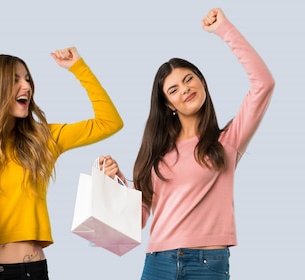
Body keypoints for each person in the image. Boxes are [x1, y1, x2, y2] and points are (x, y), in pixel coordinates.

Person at [0, 47, 124, 279]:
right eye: (15, 80)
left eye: (27, 79)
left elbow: (110, 122)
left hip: (28, 272)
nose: (27, 86)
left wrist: (78, 68)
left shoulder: (44, 139)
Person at [108, 8, 274, 279]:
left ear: (202, 83)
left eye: (189, 79)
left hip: (207, 264)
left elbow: (263, 84)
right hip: (157, 262)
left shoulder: (227, 141)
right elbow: (135, 220)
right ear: (167, 104)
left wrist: (225, 30)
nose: (184, 89)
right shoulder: (155, 152)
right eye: (173, 89)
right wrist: (115, 182)